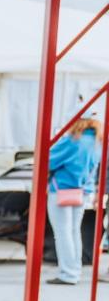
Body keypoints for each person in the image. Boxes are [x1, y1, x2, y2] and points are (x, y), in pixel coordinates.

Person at [45, 116, 98, 286]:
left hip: (61, 190)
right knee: (74, 231)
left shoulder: (72, 140)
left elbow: (48, 160)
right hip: (82, 191)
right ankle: (75, 270)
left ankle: (68, 273)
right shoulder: (97, 141)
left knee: (63, 233)